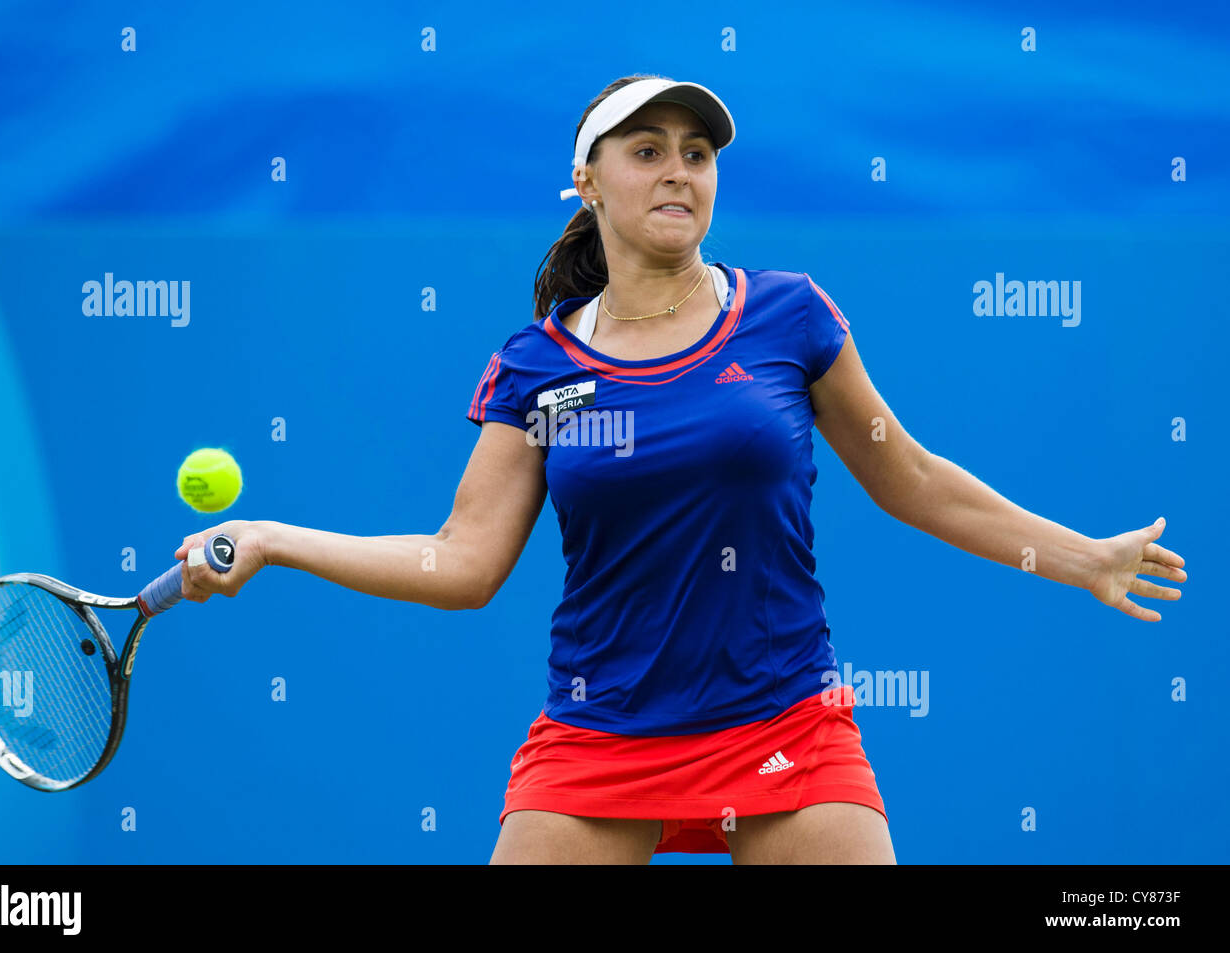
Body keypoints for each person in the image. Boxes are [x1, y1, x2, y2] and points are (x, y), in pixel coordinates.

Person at [172, 74, 1188, 865]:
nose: (678, 171)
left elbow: (909, 477)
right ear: (588, 181)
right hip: (598, 735)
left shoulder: (791, 317)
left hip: (783, 719)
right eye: (647, 150)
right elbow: (463, 560)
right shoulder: (536, 367)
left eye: (696, 154)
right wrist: (272, 538)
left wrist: (1080, 557)